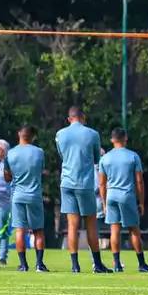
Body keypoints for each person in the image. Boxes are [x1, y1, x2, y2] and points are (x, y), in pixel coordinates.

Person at [55, 106, 111, 273]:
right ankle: (98, 264)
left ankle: (75, 265)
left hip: (67, 183)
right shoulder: (92, 134)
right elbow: (96, 158)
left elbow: (62, 155)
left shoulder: (60, 134)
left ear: (69, 118)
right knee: (91, 225)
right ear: (83, 117)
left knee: (72, 225)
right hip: (85, 184)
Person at [99, 128, 148, 273]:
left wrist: (104, 203)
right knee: (134, 230)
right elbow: (139, 181)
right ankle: (142, 263)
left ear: (112, 140)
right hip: (127, 195)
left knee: (115, 230)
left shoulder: (105, 158)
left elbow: (101, 183)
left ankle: (117, 264)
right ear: (125, 138)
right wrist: (141, 202)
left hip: (111, 195)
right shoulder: (133, 156)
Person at [7, 126, 48, 272]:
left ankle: (23, 265)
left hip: (17, 195)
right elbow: (41, 171)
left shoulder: (10, 153)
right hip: (34, 195)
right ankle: (39, 264)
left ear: (19, 135)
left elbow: (7, 176)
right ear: (33, 137)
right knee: (38, 230)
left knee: (20, 230)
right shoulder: (39, 152)